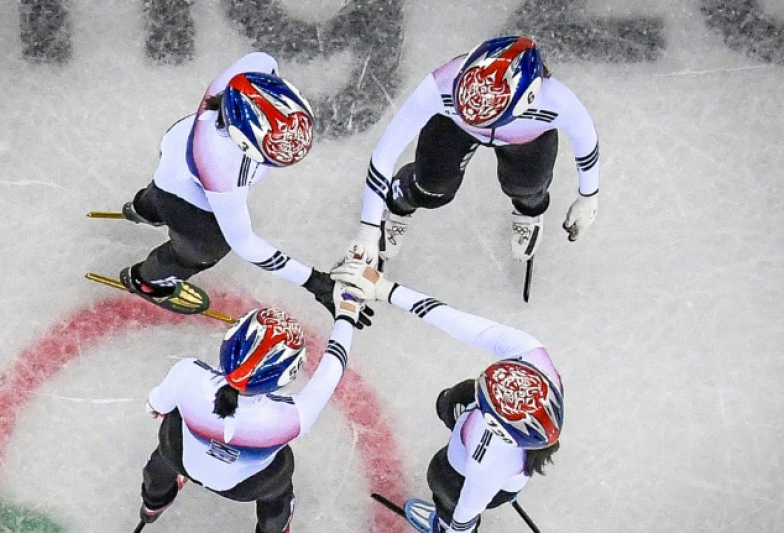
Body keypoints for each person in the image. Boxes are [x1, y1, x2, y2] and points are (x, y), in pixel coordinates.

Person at [117, 51, 369, 327]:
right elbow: (244, 243)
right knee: (204, 249)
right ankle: (148, 281)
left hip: (176, 148)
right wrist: (316, 283)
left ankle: (145, 207)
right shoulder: (221, 167)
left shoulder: (250, 73)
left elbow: (266, 63)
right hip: (186, 196)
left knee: (166, 188)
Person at [332, 256, 563, 533]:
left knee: (442, 482)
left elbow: (467, 509)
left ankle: (439, 522)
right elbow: (462, 324)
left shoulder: (487, 456)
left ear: (496, 427)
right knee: (450, 400)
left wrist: (455, 527)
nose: (480, 377)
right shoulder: (531, 355)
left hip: (465, 475)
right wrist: (385, 288)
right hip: (492, 460)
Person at [347, 35, 600, 268]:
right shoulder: (441, 85)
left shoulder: (558, 102)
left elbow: (586, 141)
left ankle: (528, 211)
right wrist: (368, 230)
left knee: (527, 188)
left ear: (528, 99)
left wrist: (589, 197)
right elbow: (385, 153)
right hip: (455, 128)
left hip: (525, 139)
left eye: (487, 116)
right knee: (432, 188)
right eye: (463, 103)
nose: (475, 117)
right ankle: (401, 199)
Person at [136, 281, 366, 533]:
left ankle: (153, 503)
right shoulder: (291, 417)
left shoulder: (187, 374)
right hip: (245, 487)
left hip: (180, 459)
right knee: (278, 491)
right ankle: (272, 529)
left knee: (165, 451)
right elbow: (334, 366)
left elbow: (155, 407)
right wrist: (347, 311)